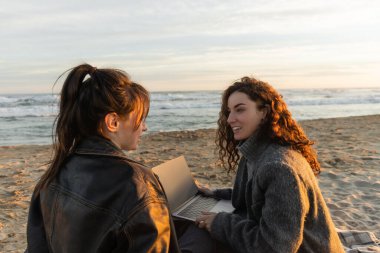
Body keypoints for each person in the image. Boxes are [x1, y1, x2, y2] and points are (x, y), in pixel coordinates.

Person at [25, 64, 180, 253]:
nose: (144, 127)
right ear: (113, 122)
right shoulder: (137, 183)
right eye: (140, 118)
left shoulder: (53, 174)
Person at [195, 77, 345, 253]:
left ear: (264, 112)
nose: (229, 119)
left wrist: (220, 223)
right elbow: (256, 196)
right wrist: (215, 193)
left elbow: (275, 248)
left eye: (240, 110)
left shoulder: (279, 168)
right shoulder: (254, 152)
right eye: (229, 111)